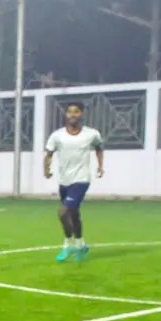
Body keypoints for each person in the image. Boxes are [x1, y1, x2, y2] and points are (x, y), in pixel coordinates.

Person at [43, 101, 104, 262]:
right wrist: (46, 169)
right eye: (69, 111)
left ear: (81, 114)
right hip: (64, 181)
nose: (72, 115)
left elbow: (99, 148)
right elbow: (48, 154)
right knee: (74, 215)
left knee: (63, 212)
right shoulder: (57, 135)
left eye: (76, 111)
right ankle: (81, 245)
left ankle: (67, 244)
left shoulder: (91, 134)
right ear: (65, 114)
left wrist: (100, 166)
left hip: (81, 179)